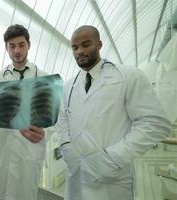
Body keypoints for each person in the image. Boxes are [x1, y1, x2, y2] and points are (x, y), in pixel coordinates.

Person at [58, 25, 172, 200]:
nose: (80, 51)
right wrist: (66, 146)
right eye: (75, 47)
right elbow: (64, 117)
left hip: (111, 178)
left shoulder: (128, 76)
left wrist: (111, 158)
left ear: (99, 44)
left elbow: (155, 123)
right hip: (76, 173)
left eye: (86, 45)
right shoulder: (69, 85)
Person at [0, 24, 55, 200]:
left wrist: (45, 133)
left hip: (28, 154)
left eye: (21, 45)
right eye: (12, 46)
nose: (17, 50)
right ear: (6, 48)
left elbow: (54, 118)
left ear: (29, 45)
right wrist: (0, 108)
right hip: (1, 155)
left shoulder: (44, 77)